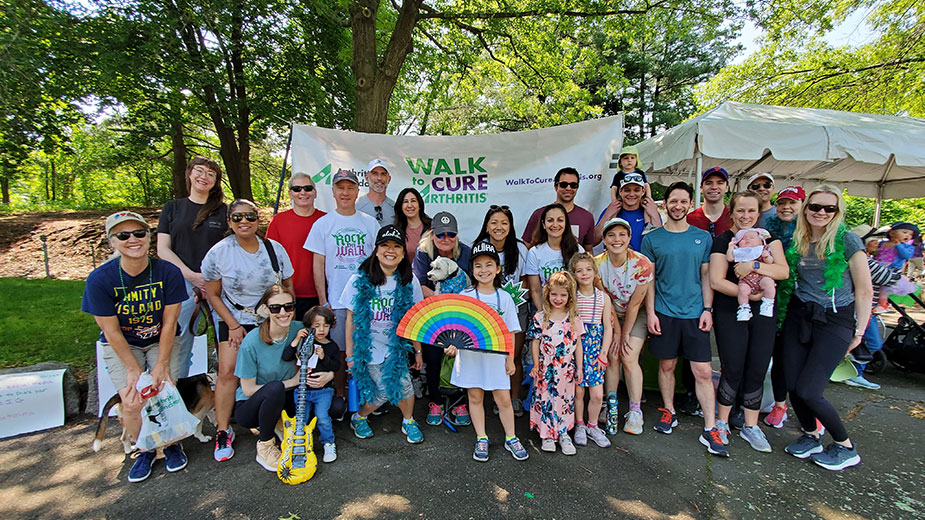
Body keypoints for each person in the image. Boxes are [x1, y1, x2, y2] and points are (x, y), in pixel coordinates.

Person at [82, 211, 188, 482]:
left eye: (139, 233)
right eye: (123, 235)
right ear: (112, 241)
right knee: (131, 402)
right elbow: (111, 331)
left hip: (160, 339)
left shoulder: (168, 272)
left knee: (165, 392)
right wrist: (132, 370)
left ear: (149, 237)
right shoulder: (100, 279)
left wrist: (161, 365)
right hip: (123, 344)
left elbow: (170, 322)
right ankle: (145, 448)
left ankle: (171, 443)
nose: (133, 239)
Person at [777, 185, 872, 471]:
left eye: (829, 208)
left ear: (837, 212)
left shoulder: (848, 241)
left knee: (809, 390)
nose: (821, 212)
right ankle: (811, 435)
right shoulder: (798, 239)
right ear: (806, 208)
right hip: (799, 315)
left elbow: (864, 290)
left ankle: (845, 446)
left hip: (835, 319)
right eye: (815, 206)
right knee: (792, 383)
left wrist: (859, 332)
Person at [202, 199, 294, 462]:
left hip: (272, 317)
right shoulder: (218, 253)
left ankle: (274, 420)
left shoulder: (274, 249)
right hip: (235, 319)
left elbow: (288, 286)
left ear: (257, 219)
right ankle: (223, 430)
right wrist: (233, 325)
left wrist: (285, 316)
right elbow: (213, 294)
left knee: (275, 369)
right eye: (238, 217)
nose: (244, 221)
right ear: (229, 221)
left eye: (250, 216)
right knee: (228, 371)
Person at [641, 182, 726, 457]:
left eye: (683, 201)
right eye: (673, 201)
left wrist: (708, 309)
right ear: (665, 204)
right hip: (664, 312)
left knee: (703, 371)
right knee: (667, 365)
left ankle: (710, 427)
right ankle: (669, 411)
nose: (677, 206)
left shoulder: (702, 238)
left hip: (695, 313)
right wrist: (651, 313)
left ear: (691, 204)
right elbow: (649, 281)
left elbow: (706, 276)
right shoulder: (652, 239)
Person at [709, 192, 789, 455]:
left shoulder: (769, 239)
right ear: (731, 213)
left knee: (758, 365)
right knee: (732, 365)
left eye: (751, 211)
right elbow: (717, 280)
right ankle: (722, 421)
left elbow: (783, 271)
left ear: (759, 213)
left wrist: (754, 265)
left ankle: (751, 425)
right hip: (731, 310)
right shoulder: (724, 241)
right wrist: (749, 295)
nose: (745, 216)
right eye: (740, 210)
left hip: (764, 312)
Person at [341, 225, 426, 443]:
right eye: (385, 245)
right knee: (382, 392)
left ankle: (408, 421)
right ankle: (359, 417)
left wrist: (418, 351)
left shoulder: (409, 281)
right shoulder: (359, 280)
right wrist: (350, 354)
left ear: (403, 252)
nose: (390, 250)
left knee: (405, 385)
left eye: (396, 246)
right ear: (376, 250)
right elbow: (350, 319)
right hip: (368, 348)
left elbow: (414, 320)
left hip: (395, 347)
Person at [447, 241, 529, 461]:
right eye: (478, 265)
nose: (484, 270)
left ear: (498, 268)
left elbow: (511, 331)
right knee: (475, 397)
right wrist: (452, 344)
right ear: (472, 270)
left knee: (504, 399)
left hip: (497, 359)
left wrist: (510, 359)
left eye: (489, 264)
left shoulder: (505, 297)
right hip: (471, 357)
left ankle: (511, 437)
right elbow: (456, 327)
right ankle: (481, 437)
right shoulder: (465, 295)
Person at [304, 169, 381, 398]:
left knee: (366, 348)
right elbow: (318, 265)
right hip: (336, 300)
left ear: (357, 192)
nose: (345, 193)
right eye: (340, 188)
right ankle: (340, 396)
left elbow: (378, 263)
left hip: (366, 300)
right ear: (333, 192)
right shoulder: (322, 224)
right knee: (338, 351)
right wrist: (323, 301)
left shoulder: (370, 223)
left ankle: (369, 396)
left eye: (350, 188)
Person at [156, 156, 227, 378]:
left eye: (210, 174)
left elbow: (230, 251)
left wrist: (210, 281)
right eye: (199, 171)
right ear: (189, 174)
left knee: (228, 339)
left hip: (219, 285)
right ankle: (176, 390)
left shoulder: (224, 212)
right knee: (178, 342)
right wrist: (192, 276)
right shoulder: (172, 208)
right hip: (181, 283)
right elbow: (163, 249)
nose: (204, 177)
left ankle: (231, 392)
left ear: (215, 181)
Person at [232, 285, 302, 471]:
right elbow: (248, 390)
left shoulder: (299, 329)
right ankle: (265, 444)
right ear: (265, 309)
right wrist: (292, 382)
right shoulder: (251, 342)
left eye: (288, 306)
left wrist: (327, 374)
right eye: (275, 308)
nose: (283, 313)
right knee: (274, 388)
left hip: (286, 397)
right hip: (252, 406)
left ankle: (279, 422)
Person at [412, 211, 473, 425]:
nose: (446, 238)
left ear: (456, 235)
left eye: (451, 234)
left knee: (461, 357)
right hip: (433, 314)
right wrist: (444, 301)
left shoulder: (465, 252)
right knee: (433, 357)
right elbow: (419, 285)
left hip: (461, 315)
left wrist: (455, 307)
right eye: (440, 234)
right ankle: (436, 401)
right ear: (432, 235)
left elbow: (473, 284)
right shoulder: (423, 253)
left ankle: (459, 402)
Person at [593, 217, 652, 435]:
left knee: (628, 355)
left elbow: (636, 304)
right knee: (611, 355)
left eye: (621, 235)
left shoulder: (642, 264)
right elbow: (605, 299)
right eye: (611, 235)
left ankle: (635, 411)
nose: (616, 239)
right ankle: (610, 404)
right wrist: (616, 332)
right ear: (604, 239)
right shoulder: (596, 264)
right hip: (609, 312)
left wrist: (625, 333)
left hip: (635, 314)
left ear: (629, 238)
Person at [474, 205, 529, 416]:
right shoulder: (479, 247)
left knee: (513, 355)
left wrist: (509, 302)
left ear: (510, 226)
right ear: (487, 226)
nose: (499, 227)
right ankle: (492, 397)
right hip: (487, 310)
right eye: (494, 222)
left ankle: (514, 398)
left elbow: (525, 281)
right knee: (490, 355)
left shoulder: (520, 249)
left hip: (516, 308)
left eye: (504, 223)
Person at [528, 271, 584, 455]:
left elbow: (578, 345)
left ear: (569, 296)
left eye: (563, 295)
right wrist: (536, 364)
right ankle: (547, 435)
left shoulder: (574, 318)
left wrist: (580, 368)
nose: (558, 299)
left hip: (566, 369)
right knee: (546, 399)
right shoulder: (541, 317)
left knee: (565, 400)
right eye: (554, 294)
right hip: (546, 368)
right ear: (547, 294)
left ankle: (563, 433)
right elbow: (535, 342)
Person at [763, 185, 805, 429]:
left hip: (805, 304)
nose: (786, 207)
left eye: (792, 203)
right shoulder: (768, 232)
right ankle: (779, 404)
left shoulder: (812, 234)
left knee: (799, 359)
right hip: (774, 301)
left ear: (802, 206)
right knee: (778, 355)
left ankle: (809, 409)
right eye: (782, 203)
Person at [266, 172, 326, 321]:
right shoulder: (278, 221)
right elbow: (270, 259)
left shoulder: (327, 220)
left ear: (315, 192)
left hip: (323, 295)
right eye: (297, 189)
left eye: (308, 188)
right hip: (289, 295)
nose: (303, 192)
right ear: (290, 194)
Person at [568, 253, 613, 448]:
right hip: (576, 348)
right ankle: (579, 424)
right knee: (578, 391)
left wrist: (603, 353)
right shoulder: (572, 297)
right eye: (579, 271)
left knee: (596, 394)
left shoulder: (603, 297)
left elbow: (608, 327)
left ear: (595, 272)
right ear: (574, 274)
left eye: (588, 269)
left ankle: (592, 425)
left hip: (595, 350)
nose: (584, 274)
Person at [286, 305, 341, 463]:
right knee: (301, 419)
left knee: (322, 417)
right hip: (302, 389)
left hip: (323, 391)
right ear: (309, 326)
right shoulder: (304, 343)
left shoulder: (331, 346)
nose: (321, 330)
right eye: (316, 326)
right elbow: (287, 356)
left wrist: (324, 357)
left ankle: (328, 442)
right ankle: (301, 444)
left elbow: (336, 366)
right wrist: (297, 339)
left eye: (326, 325)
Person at [521, 167, 597, 250]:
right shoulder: (539, 214)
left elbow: (588, 251)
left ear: (577, 188)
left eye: (573, 185)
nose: (568, 188)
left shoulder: (587, 217)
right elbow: (526, 248)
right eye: (563, 184)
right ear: (556, 186)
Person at [524, 203, 581, 310]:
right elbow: (535, 290)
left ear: (566, 224)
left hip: (572, 310)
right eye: (550, 220)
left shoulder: (577, 250)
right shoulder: (535, 252)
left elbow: (583, 285)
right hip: (545, 309)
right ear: (543, 224)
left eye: (560, 220)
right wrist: (543, 313)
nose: (555, 225)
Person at [595, 170, 662, 252]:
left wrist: (654, 214)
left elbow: (661, 241)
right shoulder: (610, 211)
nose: (631, 194)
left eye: (636, 190)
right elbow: (594, 240)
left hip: (644, 260)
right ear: (620, 191)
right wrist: (607, 215)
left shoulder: (650, 212)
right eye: (627, 190)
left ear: (643, 191)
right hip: (616, 259)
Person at [726, 228, 776, 321]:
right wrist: (731, 248)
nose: (747, 239)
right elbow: (729, 258)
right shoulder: (740, 251)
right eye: (743, 239)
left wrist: (767, 257)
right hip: (746, 280)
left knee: (769, 284)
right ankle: (744, 308)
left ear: (760, 242)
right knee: (742, 290)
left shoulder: (762, 249)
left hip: (762, 277)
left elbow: (770, 262)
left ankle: (768, 303)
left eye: (752, 237)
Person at [872, 222, 919, 314]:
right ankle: (874, 302)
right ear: (892, 233)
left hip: (893, 270)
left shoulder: (907, 247)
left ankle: (883, 304)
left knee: (884, 288)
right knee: (875, 286)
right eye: (904, 232)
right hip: (879, 266)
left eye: (910, 234)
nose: (908, 235)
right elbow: (877, 253)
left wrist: (899, 246)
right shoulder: (883, 243)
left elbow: (906, 255)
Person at [686, 167, 732, 238]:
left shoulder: (734, 218)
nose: (714, 187)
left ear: (727, 188)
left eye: (720, 183)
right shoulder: (689, 220)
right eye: (709, 183)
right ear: (701, 188)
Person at [393, 187, 431, 257]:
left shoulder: (432, 227)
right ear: (401, 207)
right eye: (405, 202)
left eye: (413, 201)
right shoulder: (396, 231)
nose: (410, 205)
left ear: (419, 205)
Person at [356, 159, 395, 226]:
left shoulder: (395, 208)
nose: (379, 178)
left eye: (383, 174)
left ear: (389, 179)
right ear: (367, 177)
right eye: (375, 173)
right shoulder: (357, 206)